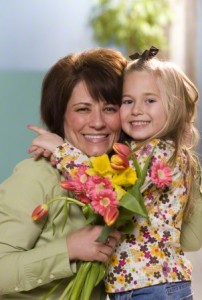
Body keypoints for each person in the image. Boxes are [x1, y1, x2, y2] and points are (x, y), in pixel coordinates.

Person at [28, 47, 201, 299]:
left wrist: (61, 150)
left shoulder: (158, 152)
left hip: (153, 286)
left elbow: (106, 192)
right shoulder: (142, 150)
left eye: (150, 100)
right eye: (128, 101)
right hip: (142, 285)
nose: (136, 110)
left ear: (173, 107)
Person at [0, 48, 127, 299]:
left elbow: (190, 240)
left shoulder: (124, 181)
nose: (98, 122)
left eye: (110, 108)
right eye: (83, 109)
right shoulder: (36, 177)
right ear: (60, 115)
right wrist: (68, 249)